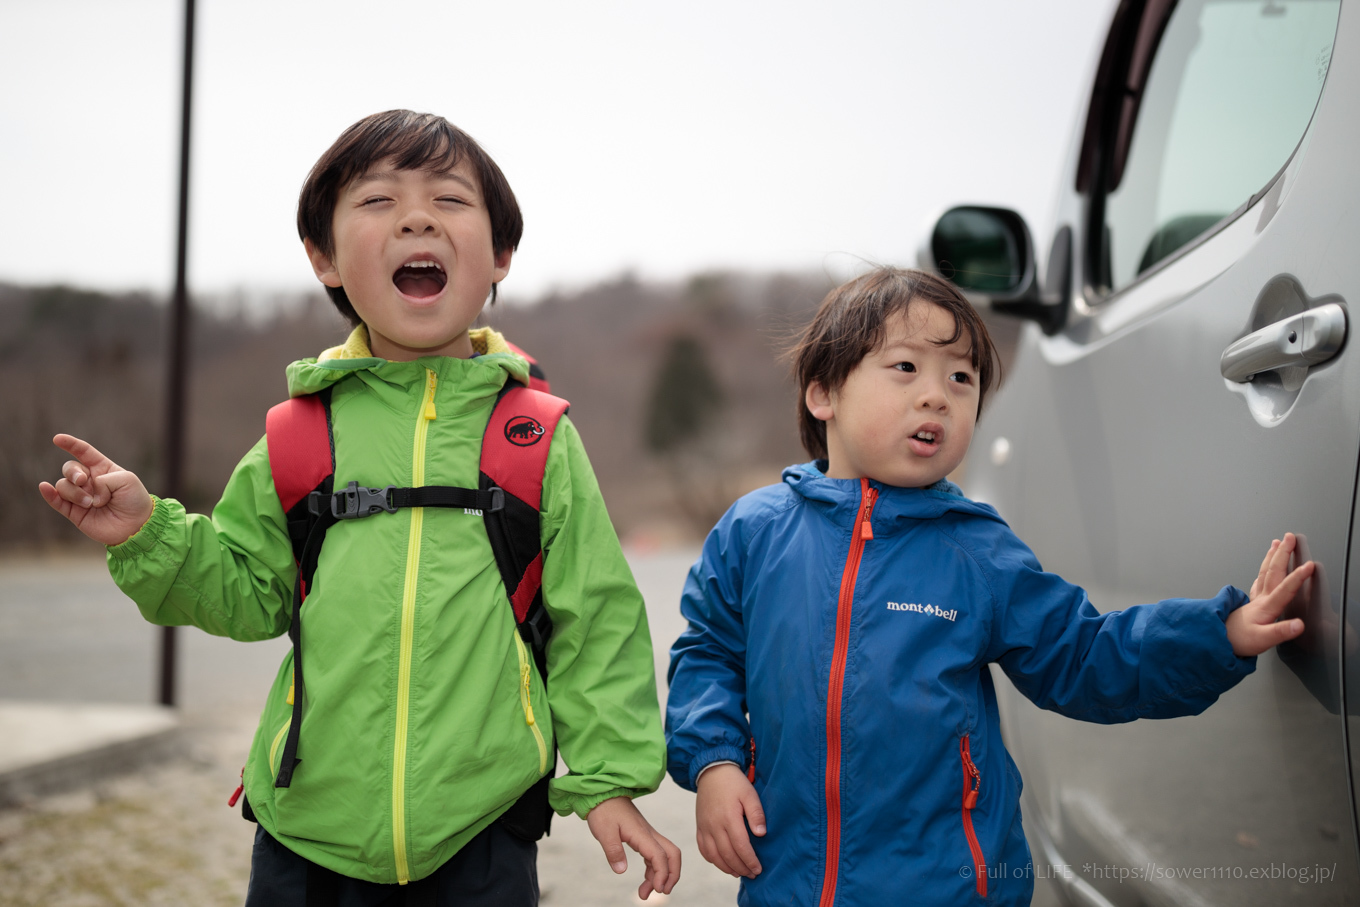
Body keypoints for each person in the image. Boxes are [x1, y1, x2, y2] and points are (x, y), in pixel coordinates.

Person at [38, 109, 679, 905]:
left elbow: (598, 620)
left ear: (501, 256)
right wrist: (146, 531)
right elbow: (247, 590)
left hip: (481, 830)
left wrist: (609, 780)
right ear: (325, 258)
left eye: (449, 200)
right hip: (308, 826)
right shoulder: (298, 431)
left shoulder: (534, 435)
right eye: (378, 201)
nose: (416, 216)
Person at [663, 267, 1311, 907]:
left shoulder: (977, 549)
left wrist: (1220, 633)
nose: (937, 395)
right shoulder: (754, 531)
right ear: (823, 393)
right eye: (907, 368)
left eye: (962, 378)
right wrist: (715, 761)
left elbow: (1083, 655)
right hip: (789, 884)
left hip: (947, 885)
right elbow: (709, 653)